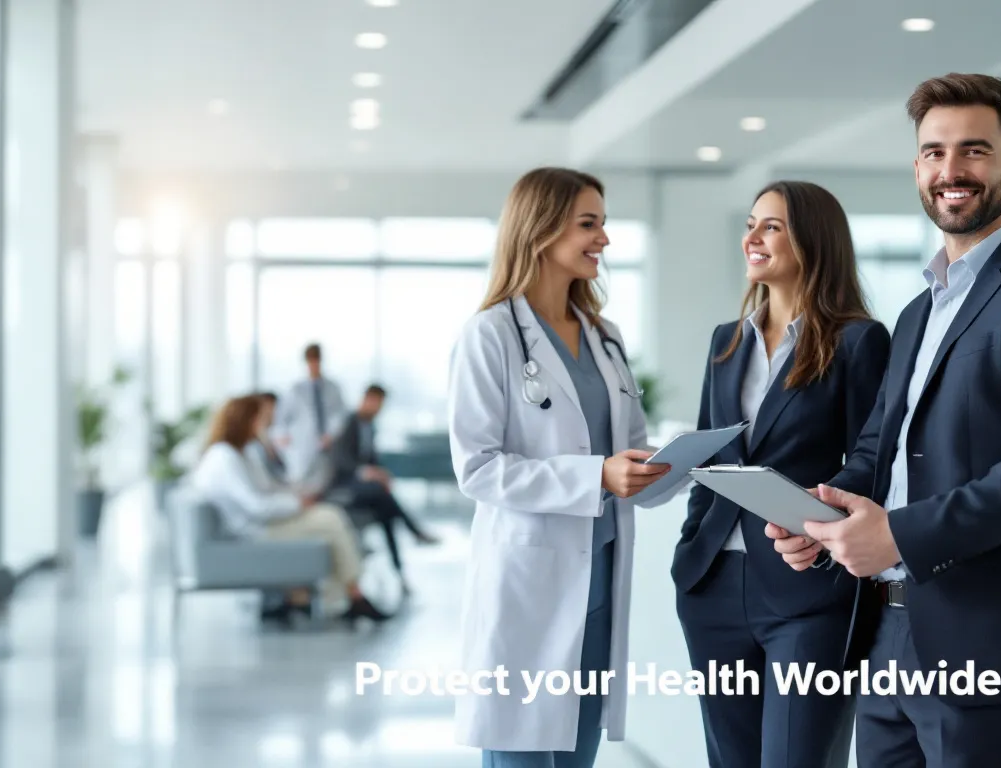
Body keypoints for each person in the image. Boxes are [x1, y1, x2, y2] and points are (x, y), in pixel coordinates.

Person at [769, 73, 1001, 767]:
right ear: (918, 168)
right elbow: (879, 451)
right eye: (934, 152)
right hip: (888, 633)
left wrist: (896, 535)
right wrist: (822, 515)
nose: (950, 171)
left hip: (987, 641)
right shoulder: (918, 311)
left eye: (974, 151)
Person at [448, 167, 684, 766]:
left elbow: (627, 450)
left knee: (579, 754)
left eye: (602, 223)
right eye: (588, 224)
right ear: (540, 229)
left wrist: (676, 466)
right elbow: (478, 468)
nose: (604, 238)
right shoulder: (491, 334)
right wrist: (596, 476)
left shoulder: (605, 337)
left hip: (600, 581)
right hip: (528, 584)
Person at [671, 180, 891, 768]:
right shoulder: (726, 340)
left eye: (772, 226)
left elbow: (873, 459)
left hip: (809, 586)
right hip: (714, 583)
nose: (753, 238)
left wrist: (822, 525)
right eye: (751, 225)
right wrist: (692, 543)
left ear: (814, 240)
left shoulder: (858, 340)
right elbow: (708, 454)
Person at [190, 395, 391, 623]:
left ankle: (331, 598)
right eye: (262, 419)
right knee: (330, 520)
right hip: (254, 531)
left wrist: (296, 496)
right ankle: (351, 597)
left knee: (329, 519)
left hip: (263, 523)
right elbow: (256, 507)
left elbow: (267, 489)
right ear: (245, 420)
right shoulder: (224, 458)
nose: (267, 425)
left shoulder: (240, 453)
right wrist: (297, 504)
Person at [327, 382, 439, 593]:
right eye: (377, 403)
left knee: (387, 514)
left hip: (366, 489)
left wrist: (381, 474)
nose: (379, 408)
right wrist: (367, 472)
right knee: (382, 495)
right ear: (367, 399)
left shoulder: (370, 426)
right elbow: (341, 460)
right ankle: (414, 532)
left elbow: (372, 460)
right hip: (343, 487)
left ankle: (400, 574)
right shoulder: (349, 422)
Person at [275, 343, 349, 483]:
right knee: (302, 479)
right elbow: (281, 418)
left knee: (327, 480)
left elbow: (340, 415)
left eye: (316, 361)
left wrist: (331, 434)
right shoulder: (295, 390)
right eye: (310, 361)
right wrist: (282, 434)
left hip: (329, 443)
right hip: (303, 444)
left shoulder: (333, 388)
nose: (314, 365)